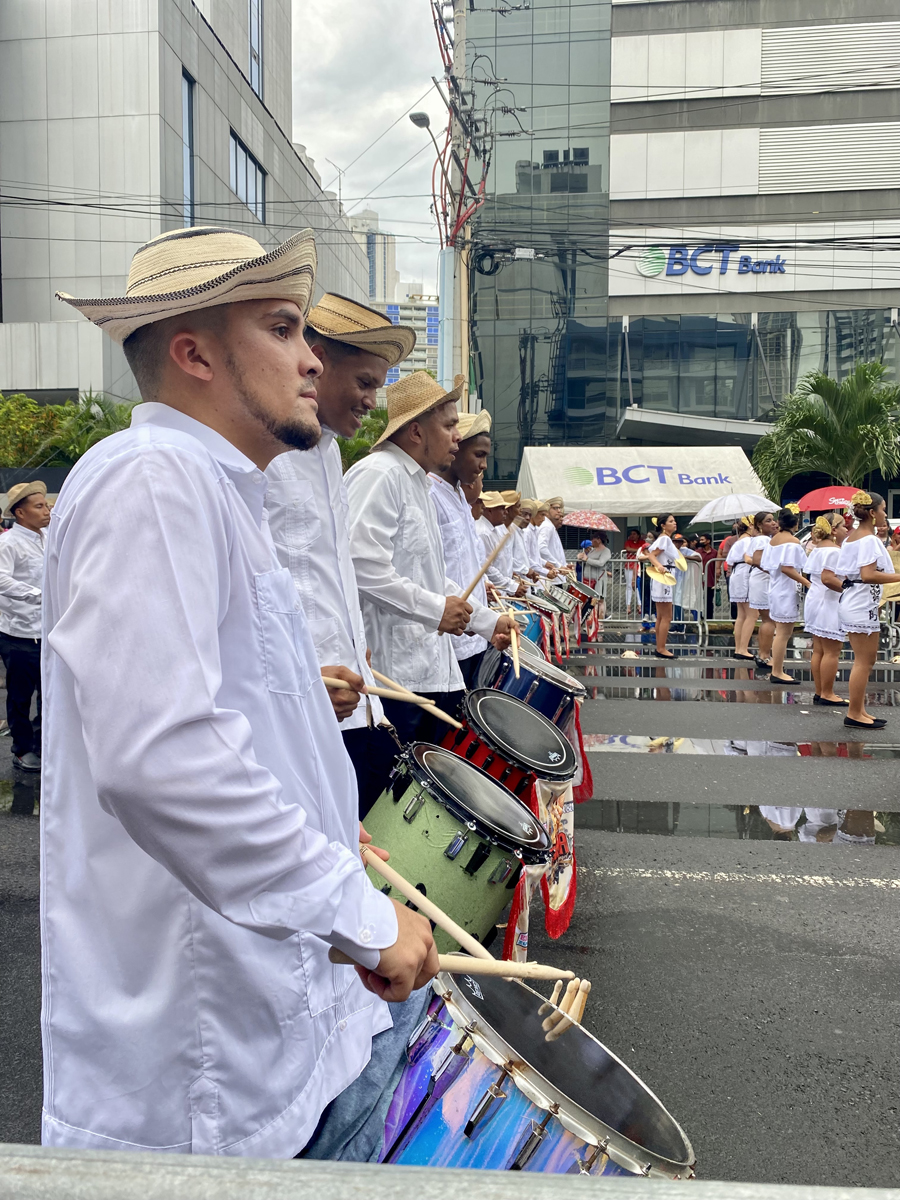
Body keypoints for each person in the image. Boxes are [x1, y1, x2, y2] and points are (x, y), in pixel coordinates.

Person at [47, 226, 438, 1158]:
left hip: (266, 1025)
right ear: (192, 354)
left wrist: (324, 826)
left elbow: (219, 713)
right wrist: (360, 916)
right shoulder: (153, 480)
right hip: (205, 1059)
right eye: (282, 328)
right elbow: (162, 761)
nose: (311, 359)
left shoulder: (219, 490)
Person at [264, 293, 416, 817]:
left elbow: (329, 573)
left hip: (349, 698)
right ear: (319, 362)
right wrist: (301, 676)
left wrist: (352, 640)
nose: (372, 401)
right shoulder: (265, 454)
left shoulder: (328, 454)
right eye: (365, 383)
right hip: (300, 708)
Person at [345, 371, 510, 753]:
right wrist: (436, 610)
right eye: (450, 425)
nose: (457, 436)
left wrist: (487, 622)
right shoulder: (379, 474)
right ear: (416, 432)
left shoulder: (416, 482)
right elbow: (360, 565)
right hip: (397, 678)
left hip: (427, 671)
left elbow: (432, 578)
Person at [429, 409, 506, 687]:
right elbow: (431, 573)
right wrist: (477, 619)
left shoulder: (460, 496)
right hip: (449, 636)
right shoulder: (430, 493)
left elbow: (467, 561)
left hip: (472, 634)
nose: (484, 465)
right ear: (455, 448)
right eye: (478, 455)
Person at [824, 490, 900, 729]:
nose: (884, 514)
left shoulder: (852, 538)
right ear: (871, 512)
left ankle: (859, 709)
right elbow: (867, 575)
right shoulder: (867, 540)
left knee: (866, 660)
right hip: (860, 601)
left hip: (858, 600)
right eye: (882, 509)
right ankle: (854, 713)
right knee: (864, 661)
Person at [0, 480, 51, 770]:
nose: (46, 511)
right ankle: (21, 750)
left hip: (47, 633)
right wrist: (36, 595)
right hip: (19, 634)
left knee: (49, 694)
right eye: (39, 506)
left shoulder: (47, 538)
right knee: (20, 697)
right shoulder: (8, 543)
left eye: (45, 505)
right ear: (20, 513)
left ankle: (43, 745)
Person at [761, 506, 810, 684]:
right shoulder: (792, 542)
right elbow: (788, 568)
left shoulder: (773, 540)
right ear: (795, 523)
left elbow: (768, 565)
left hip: (776, 587)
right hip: (786, 589)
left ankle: (777, 668)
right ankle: (777, 670)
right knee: (783, 633)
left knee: (781, 632)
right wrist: (806, 582)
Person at [804, 512, 848, 706]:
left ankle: (820, 691)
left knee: (820, 649)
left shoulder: (817, 549)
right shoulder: (834, 551)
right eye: (844, 526)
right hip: (828, 600)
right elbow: (828, 578)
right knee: (832, 650)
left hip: (815, 598)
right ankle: (827, 693)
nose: (847, 529)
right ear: (834, 530)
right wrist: (848, 589)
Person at [746, 511, 778, 671]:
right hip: (762, 581)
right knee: (768, 619)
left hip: (760, 580)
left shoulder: (762, 539)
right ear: (759, 525)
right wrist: (775, 571)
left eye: (773, 520)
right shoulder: (763, 540)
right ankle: (764, 655)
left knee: (767, 619)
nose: (773, 523)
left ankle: (763, 653)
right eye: (768, 521)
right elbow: (757, 561)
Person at [645, 513, 681, 658]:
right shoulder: (665, 538)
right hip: (663, 577)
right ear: (663, 525)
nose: (674, 523)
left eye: (674, 520)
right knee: (666, 616)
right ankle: (661, 648)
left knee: (661, 616)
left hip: (662, 578)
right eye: (671, 521)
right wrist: (660, 566)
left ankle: (660, 647)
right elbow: (651, 555)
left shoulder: (664, 539)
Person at [477, 491, 522, 598]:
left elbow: (501, 561)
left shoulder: (494, 530)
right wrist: (511, 586)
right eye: (501, 508)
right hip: (494, 593)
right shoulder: (483, 533)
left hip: (501, 591)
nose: (505, 512)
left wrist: (511, 576)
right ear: (490, 510)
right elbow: (487, 568)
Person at [726, 517, 755, 659]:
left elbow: (729, 560)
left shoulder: (739, 541)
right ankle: (743, 648)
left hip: (737, 573)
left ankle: (739, 648)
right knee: (751, 614)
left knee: (741, 614)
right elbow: (748, 557)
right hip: (744, 574)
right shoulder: (748, 541)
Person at [538, 496, 567, 570]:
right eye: (555, 508)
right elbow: (541, 548)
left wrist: (564, 565)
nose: (559, 511)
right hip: (551, 576)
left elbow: (556, 552)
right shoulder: (547, 526)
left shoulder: (550, 525)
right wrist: (558, 566)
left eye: (559, 508)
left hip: (555, 575)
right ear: (547, 511)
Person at [623, 527, 645, 615]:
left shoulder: (642, 542)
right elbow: (628, 549)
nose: (632, 536)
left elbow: (643, 549)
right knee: (629, 586)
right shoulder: (628, 542)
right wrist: (638, 550)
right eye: (631, 534)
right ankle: (628, 606)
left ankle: (639, 605)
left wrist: (636, 551)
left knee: (638, 586)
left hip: (638, 566)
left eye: (634, 534)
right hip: (629, 565)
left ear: (638, 535)